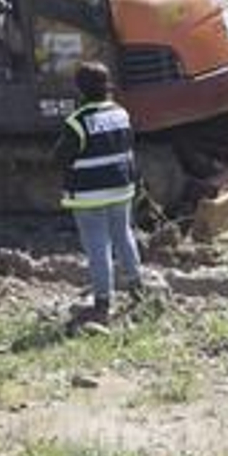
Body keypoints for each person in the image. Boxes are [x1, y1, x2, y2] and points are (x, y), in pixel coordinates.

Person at [53, 61, 145, 330]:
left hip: (89, 195)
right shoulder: (121, 113)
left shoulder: (77, 122)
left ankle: (102, 302)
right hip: (122, 188)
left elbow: (60, 157)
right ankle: (137, 286)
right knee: (123, 235)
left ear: (80, 90)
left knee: (97, 246)